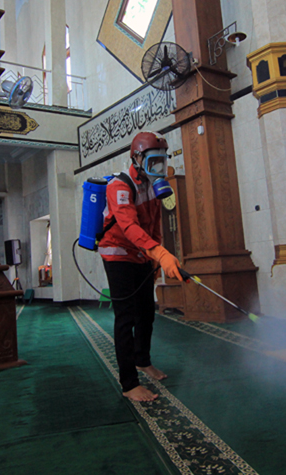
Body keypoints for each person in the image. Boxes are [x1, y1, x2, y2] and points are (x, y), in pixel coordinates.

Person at [98, 131, 183, 402]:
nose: (157, 169)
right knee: (126, 317)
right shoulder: (120, 187)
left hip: (142, 254)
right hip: (118, 253)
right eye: (152, 162)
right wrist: (158, 252)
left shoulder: (153, 185)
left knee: (147, 312)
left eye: (161, 162)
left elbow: (153, 224)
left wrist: (156, 257)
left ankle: (142, 360)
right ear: (136, 158)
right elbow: (130, 227)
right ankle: (129, 384)